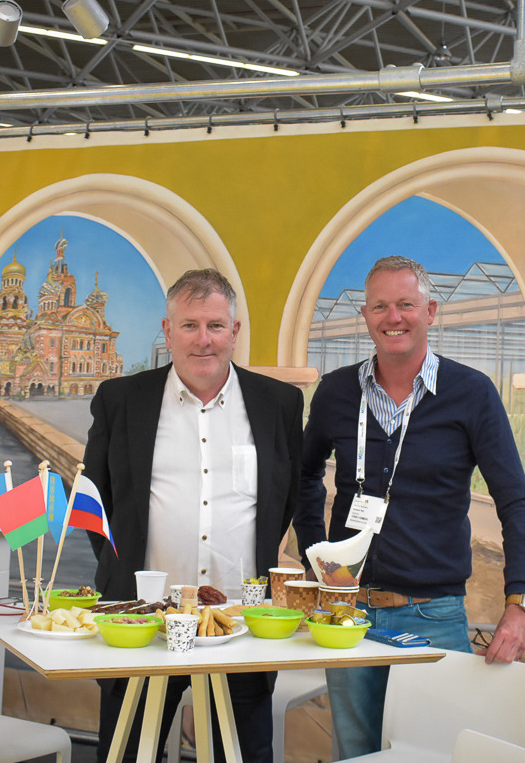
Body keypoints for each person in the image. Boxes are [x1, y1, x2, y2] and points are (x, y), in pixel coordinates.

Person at [294, 255, 525, 760]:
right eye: (380, 306)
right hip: (347, 614)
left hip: (434, 615)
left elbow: (516, 501)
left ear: (430, 311)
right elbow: (303, 478)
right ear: (366, 315)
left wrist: (521, 604)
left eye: (406, 304)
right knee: (356, 754)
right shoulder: (336, 392)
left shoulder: (471, 393)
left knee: (434, 752)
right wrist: (315, 560)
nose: (394, 317)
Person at [83, 268, 304, 763]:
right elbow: (97, 501)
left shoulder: (278, 403)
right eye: (189, 325)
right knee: (125, 755)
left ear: (235, 331)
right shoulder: (121, 401)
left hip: (239, 625)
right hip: (141, 622)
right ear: (167, 331)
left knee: (242, 755)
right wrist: (125, 572)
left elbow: (283, 498)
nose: (203, 339)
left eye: (215, 325)